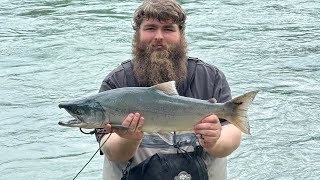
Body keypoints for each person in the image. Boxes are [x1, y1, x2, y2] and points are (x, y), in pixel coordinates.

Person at [95, 0, 241, 179]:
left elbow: (232, 135)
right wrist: (130, 138)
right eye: (150, 28)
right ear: (137, 34)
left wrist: (215, 140)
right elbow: (111, 151)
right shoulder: (116, 82)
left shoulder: (210, 77)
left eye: (168, 29)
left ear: (181, 34)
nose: (159, 36)